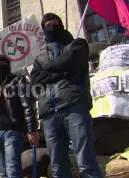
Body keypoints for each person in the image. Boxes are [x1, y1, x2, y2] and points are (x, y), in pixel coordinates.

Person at [30, 13, 103, 177]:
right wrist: (62, 72)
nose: (51, 25)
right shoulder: (39, 58)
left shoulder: (77, 45)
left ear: (61, 24)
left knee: (86, 164)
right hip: (49, 114)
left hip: (74, 106)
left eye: (55, 22)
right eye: (47, 24)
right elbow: (35, 80)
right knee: (58, 168)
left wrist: (47, 71)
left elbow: (71, 63)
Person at [0, 55, 40, 178]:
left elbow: (27, 105)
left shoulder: (18, 80)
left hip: (12, 130)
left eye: (3, 63)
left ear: (8, 66)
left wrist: (31, 129)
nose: (0, 66)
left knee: (13, 171)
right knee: (3, 173)